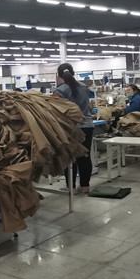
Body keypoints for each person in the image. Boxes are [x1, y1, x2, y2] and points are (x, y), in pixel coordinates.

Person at [53, 63, 93, 194]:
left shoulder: (60, 90)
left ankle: (72, 188)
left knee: (70, 158)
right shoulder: (84, 87)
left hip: (70, 128)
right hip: (87, 125)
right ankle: (85, 186)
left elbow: (56, 112)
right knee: (85, 156)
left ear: (59, 75)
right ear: (73, 73)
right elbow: (87, 106)